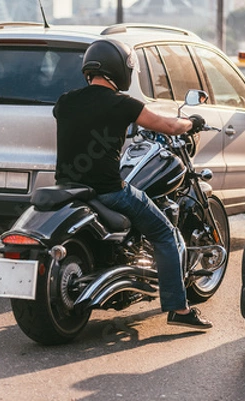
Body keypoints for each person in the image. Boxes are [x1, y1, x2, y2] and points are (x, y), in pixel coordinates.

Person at [53, 38, 212, 329]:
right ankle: (180, 310)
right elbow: (168, 126)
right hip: (109, 192)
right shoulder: (122, 104)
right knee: (165, 232)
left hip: (69, 188)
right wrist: (191, 122)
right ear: (121, 70)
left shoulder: (65, 102)